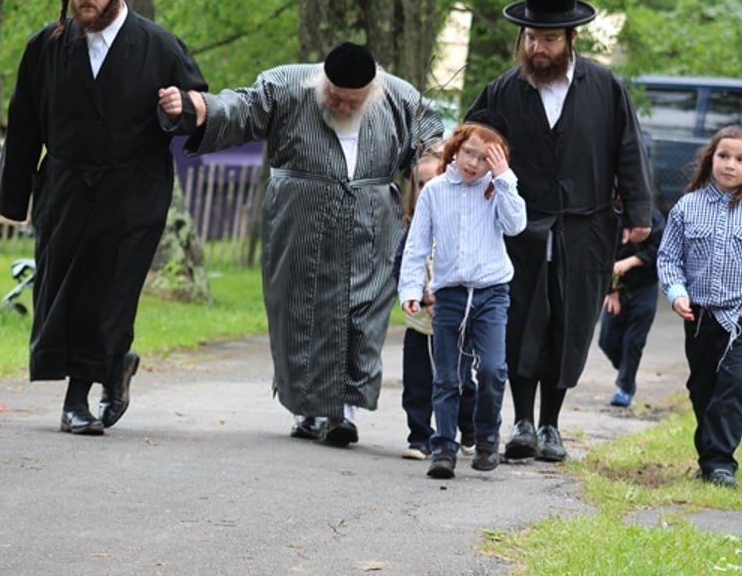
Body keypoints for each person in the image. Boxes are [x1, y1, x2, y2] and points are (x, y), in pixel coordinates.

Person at [158, 41, 443, 446]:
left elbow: (430, 140)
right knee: (301, 312)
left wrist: (431, 161)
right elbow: (243, 107)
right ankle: (309, 410)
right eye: (336, 98)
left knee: (360, 314)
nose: (343, 107)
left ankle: (341, 412)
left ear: (371, 92)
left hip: (372, 224)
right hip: (299, 221)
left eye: (352, 102)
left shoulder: (398, 96)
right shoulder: (288, 85)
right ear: (322, 82)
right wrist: (199, 107)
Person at [0, 0, 208, 436]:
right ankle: (114, 366)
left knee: (109, 295)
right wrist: (14, 197)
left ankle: (77, 399)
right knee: (60, 291)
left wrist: (178, 111)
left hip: (133, 192)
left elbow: (198, 105)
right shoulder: (45, 46)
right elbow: (24, 122)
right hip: (66, 188)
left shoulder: (158, 45)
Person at [467, 0, 652, 463]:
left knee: (569, 324)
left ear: (571, 38)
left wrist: (638, 210)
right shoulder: (503, 91)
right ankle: (522, 422)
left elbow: (628, 149)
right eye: (531, 38)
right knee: (521, 321)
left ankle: (552, 424)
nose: (538, 48)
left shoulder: (604, 87)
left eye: (549, 39)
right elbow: (468, 146)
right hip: (518, 227)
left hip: (585, 227)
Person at [398, 111, 527, 478]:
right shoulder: (436, 191)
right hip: (449, 295)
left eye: (486, 157)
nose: (474, 163)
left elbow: (516, 226)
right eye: (469, 152)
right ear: (455, 149)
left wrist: (504, 179)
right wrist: (410, 288)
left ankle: (487, 435)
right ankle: (443, 447)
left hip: (491, 294)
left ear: (497, 160)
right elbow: (417, 245)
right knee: (447, 376)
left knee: (491, 369)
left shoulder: (497, 190)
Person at [657, 125, 742, 488]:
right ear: (710, 158)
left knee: (732, 385)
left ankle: (721, 463)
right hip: (699, 315)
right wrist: (676, 291)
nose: (730, 165)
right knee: (703, 387)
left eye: (740, 159)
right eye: (724, 156)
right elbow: (668, 257)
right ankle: (708, 457)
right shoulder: (687, 206)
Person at [395, 144, 477, 461]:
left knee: (458, 382)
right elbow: (401, 268)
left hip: (455, 322)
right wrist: (416, 293)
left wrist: (444, 294)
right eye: (421, 184)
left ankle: (468, 428)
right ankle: (420, 436)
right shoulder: (411, 230)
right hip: (419, 324)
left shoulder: (461, 228)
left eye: (435, 182)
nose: (429, 190)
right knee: (417, 383)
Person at [597, 205, 666, 409]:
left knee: (633, 341)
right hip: (616, 290)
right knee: (607, 340)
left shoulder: (652, 216)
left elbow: (660, 249)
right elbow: (600, 255)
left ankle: (625, 388)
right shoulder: (608, 217)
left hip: (644, 288)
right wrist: (611, 290)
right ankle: (627, 369)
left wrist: (632, 261)